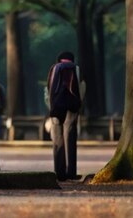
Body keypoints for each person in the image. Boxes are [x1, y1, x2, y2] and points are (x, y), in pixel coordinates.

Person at [45, 51, 83, 181]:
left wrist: (51, 107)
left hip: (57, 106)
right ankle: (71, 171)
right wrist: (78, 104)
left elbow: (48, 90)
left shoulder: (54, 69)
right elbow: (81, 87)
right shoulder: (76, 68)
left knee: (58, 139)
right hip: (72, 107)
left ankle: (59, 172)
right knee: (70, 138)